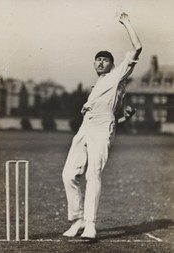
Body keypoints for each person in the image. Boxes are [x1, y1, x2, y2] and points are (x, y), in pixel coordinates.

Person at [62, 12, 142, 239]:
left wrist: (126, 22)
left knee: (93, 174)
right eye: (97, 59)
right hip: (85, 130)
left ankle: (90, 224)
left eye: (105, 59)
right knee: (68, 174)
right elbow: (112, 118)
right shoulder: (94, 88)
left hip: (101, 130)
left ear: (112, 64)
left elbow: (137, 48)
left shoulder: (117, 76)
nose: (100, 62)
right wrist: (125, 118)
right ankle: (77, 220)